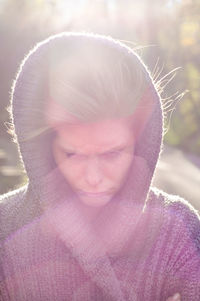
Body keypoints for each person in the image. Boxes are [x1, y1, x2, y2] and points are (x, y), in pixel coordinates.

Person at [0, 32, 199, 301]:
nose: (93, 178)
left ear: (140, 144)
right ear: (45, 149)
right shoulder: (5, 229)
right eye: (72, 154)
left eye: (112, 153)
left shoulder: (178, 230)